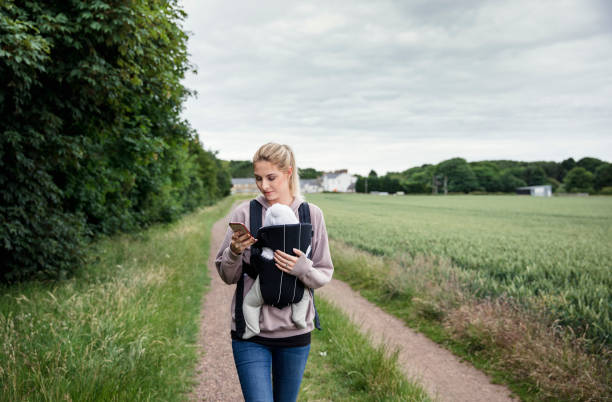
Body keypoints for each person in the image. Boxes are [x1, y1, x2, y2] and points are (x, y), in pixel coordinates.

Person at [215, 143, 334, 401]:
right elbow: (227, 276)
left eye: (271, 178)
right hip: (250, 336)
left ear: (288, 173)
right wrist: (234, 251)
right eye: (258, 178)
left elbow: (324, 272)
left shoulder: (311, 215)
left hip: (295, 336)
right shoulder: (245, 213)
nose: (264, 186)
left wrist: (303, 269)